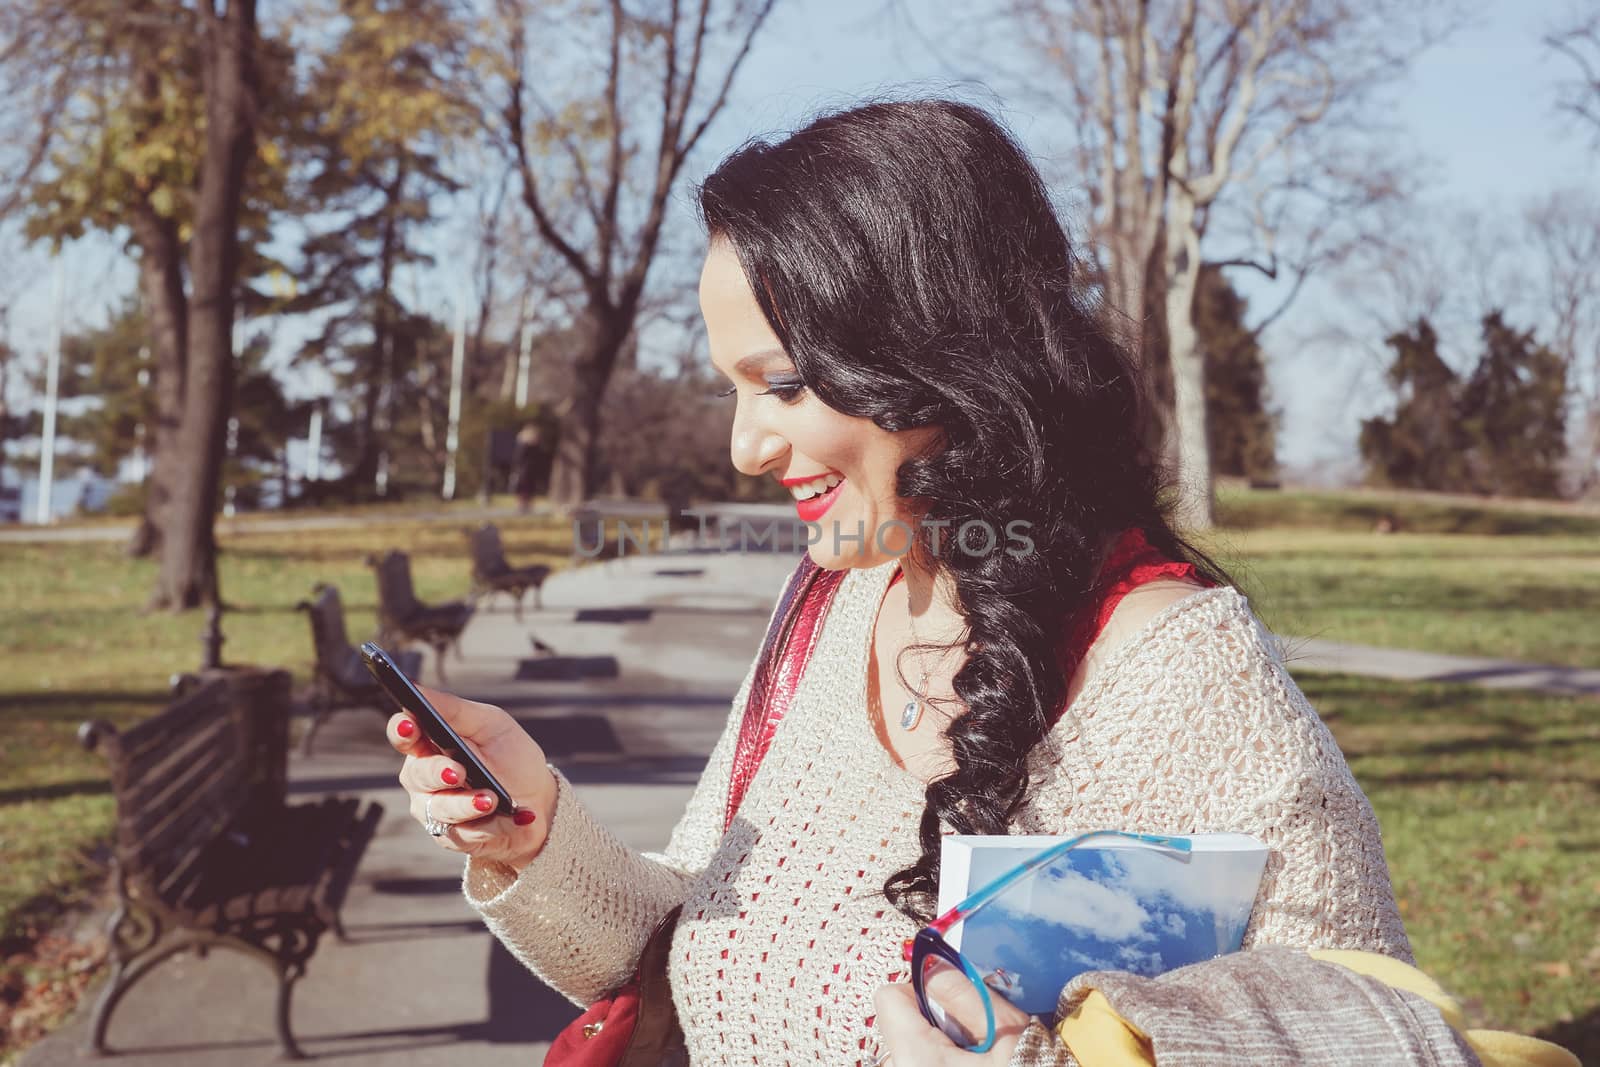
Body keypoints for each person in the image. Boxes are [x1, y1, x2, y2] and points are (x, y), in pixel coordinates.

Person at [385, 99, 1412, 1066]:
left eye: (783, 383)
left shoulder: (1174, 666)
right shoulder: (831, 604)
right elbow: (701, 937)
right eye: (731, 387)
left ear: (939, 356)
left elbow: (1365, 1030)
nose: (745, 445)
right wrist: (532, 828)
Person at [510, 422, 542, 514]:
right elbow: (519, 458)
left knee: (528, 487)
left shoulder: (532, 444)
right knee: (524, 487)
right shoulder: (524, 444)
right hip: (524, 470)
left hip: (529, 469)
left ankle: (527, 506)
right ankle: (522, 506)